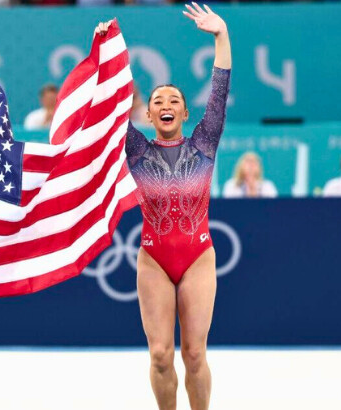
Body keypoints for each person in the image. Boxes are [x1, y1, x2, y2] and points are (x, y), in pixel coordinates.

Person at [97, 3, 231, 409]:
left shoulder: (204, 142)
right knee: (159, 356)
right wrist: (104, 49)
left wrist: (221, 35)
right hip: (154, 257)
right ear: (150, 113)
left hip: (198, 255)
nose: (166, 103)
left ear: (185, 113)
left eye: (174, 99)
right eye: (158, 100)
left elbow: (220, 89)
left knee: (193, 354)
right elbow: (109, 105)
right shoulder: (135, 148)